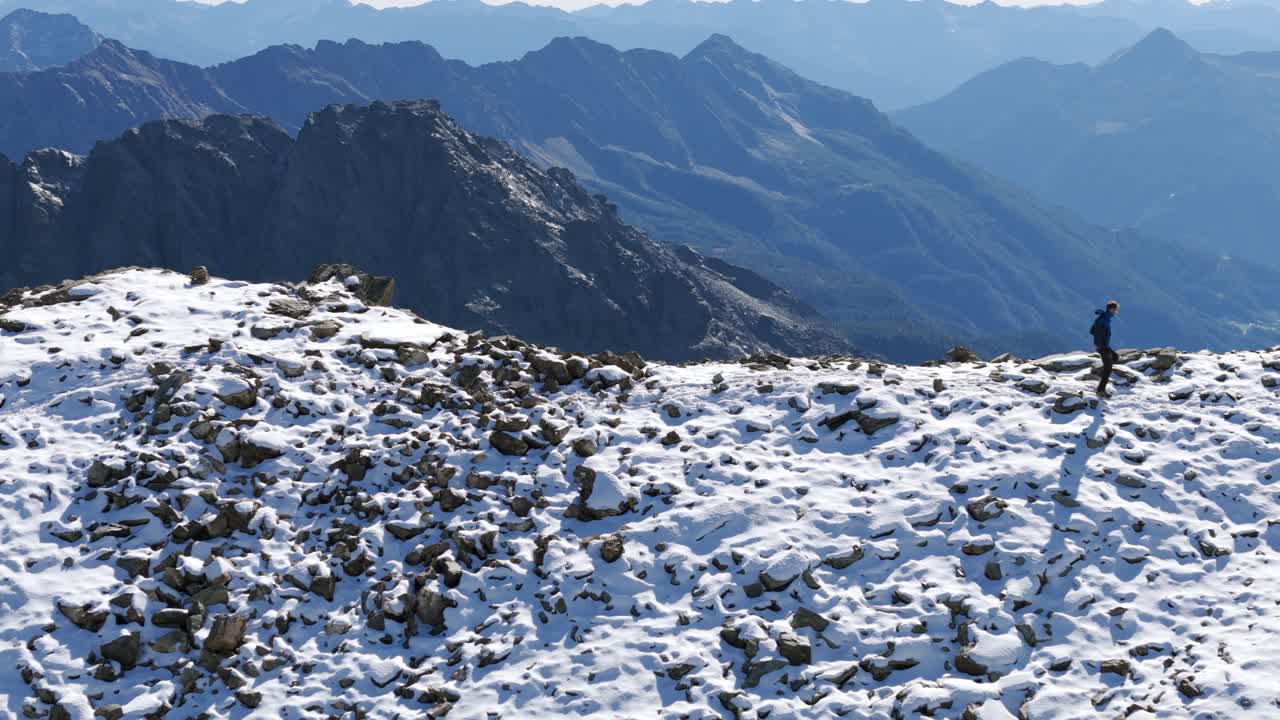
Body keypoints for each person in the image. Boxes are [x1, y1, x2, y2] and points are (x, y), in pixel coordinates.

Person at [1091, 300, 1119, 397]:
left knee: (1115, 357)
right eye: (1115, 310)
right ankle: (1100, 390)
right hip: (1102, 347)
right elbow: (1097, 332)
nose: (1116, 312)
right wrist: (1100, 346)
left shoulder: (1104, 318)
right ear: (1111, 309)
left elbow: (1092, 331)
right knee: (1108, 368)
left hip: (1104, 346)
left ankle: (1101, 375)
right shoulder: (1103, 319)